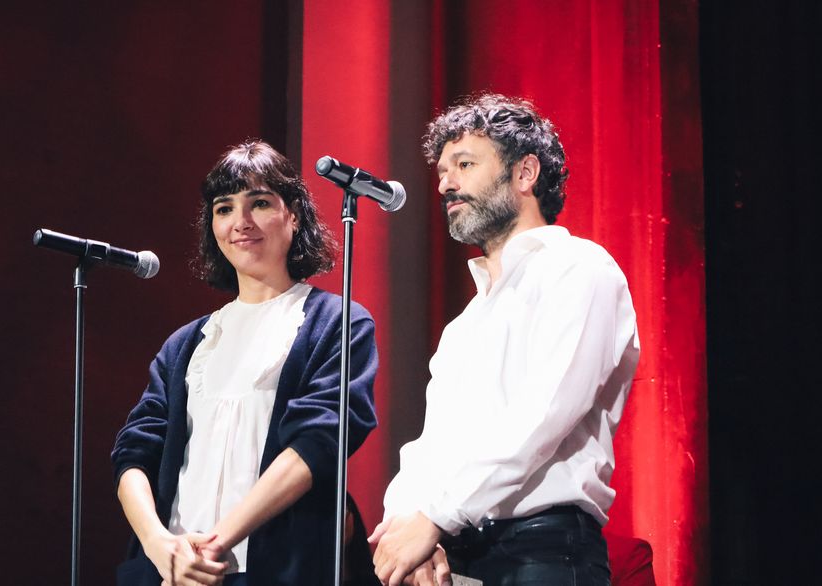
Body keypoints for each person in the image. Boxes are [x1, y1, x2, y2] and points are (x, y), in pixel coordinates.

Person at [369, 93, 640, 586]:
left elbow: (542, 416)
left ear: (525, 173)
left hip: (544, 552)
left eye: (464, 164)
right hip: (459, 554)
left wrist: (433, 518)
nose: (446, 183)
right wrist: (405, 523)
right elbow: (432, 447)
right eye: (442, 172)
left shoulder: (579, 268)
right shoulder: (466, 322)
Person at [112, 140, 378, 586]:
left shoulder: (337, 321)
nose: (240, 222)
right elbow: (133, 452)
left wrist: (214, 545)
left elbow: (319, 443)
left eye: (259, 203)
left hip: (275, 570)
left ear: (294, 214)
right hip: (170, 573)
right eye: (224, 208)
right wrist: (161, 548)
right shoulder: (185, 344)